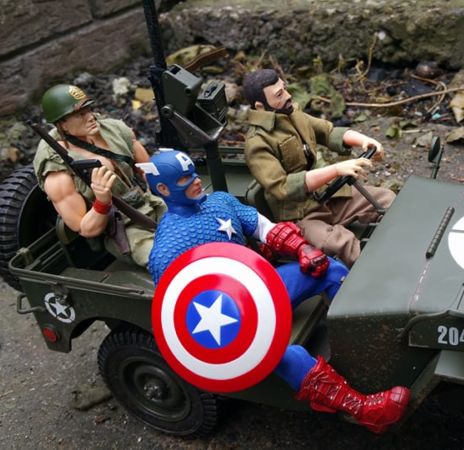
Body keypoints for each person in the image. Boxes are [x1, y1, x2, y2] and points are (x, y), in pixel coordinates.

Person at [143, 149, 410, 434]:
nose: (196, 180)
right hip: (230, 321)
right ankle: (362, 410)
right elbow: (176, 309)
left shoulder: (219, 201)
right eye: (184, 179)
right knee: (289, 355)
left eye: (194, 174)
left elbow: (263, 228)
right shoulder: (168, 249)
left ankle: (366, 345)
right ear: (163, 189)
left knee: (330, 270)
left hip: (260, 286)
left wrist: (301, 248)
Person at [242, 69, 396, 267]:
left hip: (327, 196)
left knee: (386, 199)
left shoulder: (293, 115)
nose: (288, 96)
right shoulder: (257, 143)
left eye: (285, 89)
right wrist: (336, 170)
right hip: (301, 215)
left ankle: (403, 243)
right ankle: (382, 269)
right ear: (260, 106)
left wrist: (364, 140)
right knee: (341, 242)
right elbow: (283, 187)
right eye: (279, 95)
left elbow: (328, 132)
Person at [32, 84, 166, 266]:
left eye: (89, 109)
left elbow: (147, 171)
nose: (90, 117)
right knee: (166, 259)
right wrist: (102, 201)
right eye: (80, 114)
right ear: (62, 124)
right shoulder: (57, 171)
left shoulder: (114, 130)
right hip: (123, 229)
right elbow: (85, 229)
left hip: (151, 203)